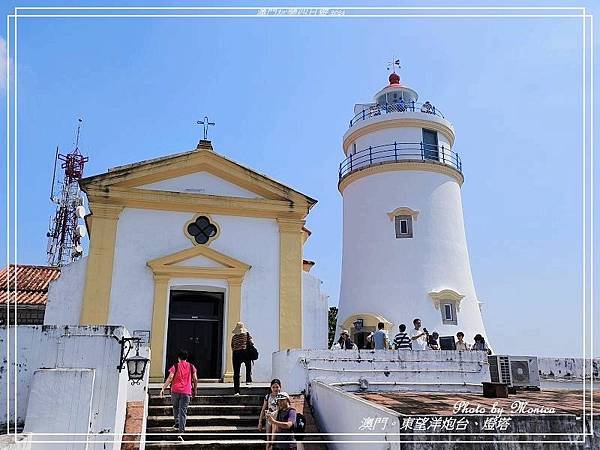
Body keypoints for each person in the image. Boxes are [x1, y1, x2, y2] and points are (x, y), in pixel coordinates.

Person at [159, 350, 198, 434]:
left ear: (179, 358)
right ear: (186, 358)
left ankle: (177, 423)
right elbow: (195, 378)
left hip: (175, 391)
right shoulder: (191, 366)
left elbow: (170, 378)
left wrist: (163, 388)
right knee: (183, 411)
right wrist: (195, 389)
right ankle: (181, 431)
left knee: (175, 407)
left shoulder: (175, 366)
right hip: (186, 391)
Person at [258, 378, 282, 449]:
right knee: (268, 440)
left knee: (275, 440)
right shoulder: (268, 396)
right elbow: (263, 409)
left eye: (277, 387)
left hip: (277, 420)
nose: (275, 389)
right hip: (268, 420)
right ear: (271, 388)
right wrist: (260, 422)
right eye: (273, 387)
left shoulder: (281, 397)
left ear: (280, 387)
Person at [231, 321, 253, 395]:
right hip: (245, 352)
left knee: (236, 373)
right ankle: (248, 379)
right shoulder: (246, 335)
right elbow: (252, 343)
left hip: (236, 354)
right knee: (248, 365)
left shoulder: (234, 337)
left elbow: (232, 346)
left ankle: (236, 391)